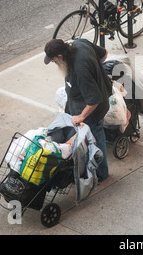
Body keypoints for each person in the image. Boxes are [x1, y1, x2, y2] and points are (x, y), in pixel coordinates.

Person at [44, 38, 112, 181]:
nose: (54, 63)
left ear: (60, 56)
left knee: (96, 140)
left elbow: (94, 100)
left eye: (54, 60)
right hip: (77, 102)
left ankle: (101, 173)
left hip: (92, 112)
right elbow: (104, 53)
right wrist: (95, 71)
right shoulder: (79, 42)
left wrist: (81, 117)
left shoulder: (81, 69)